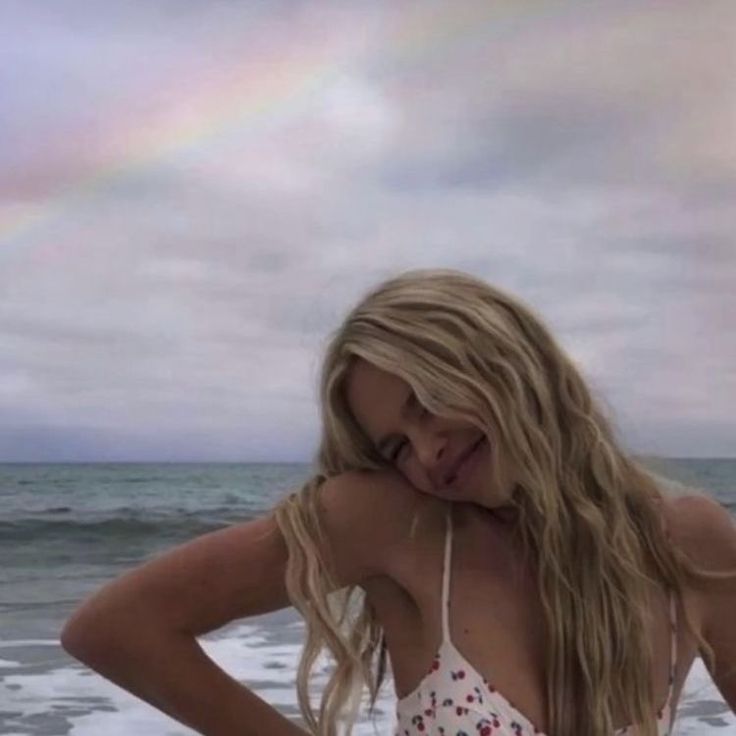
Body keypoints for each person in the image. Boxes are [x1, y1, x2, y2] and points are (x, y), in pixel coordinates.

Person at [61, 269, 736, 736]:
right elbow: (117, 627)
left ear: (510, 364)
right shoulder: (397, 524)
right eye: (395, 446)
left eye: (430, 403)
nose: (426, 451)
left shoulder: (689, 541)